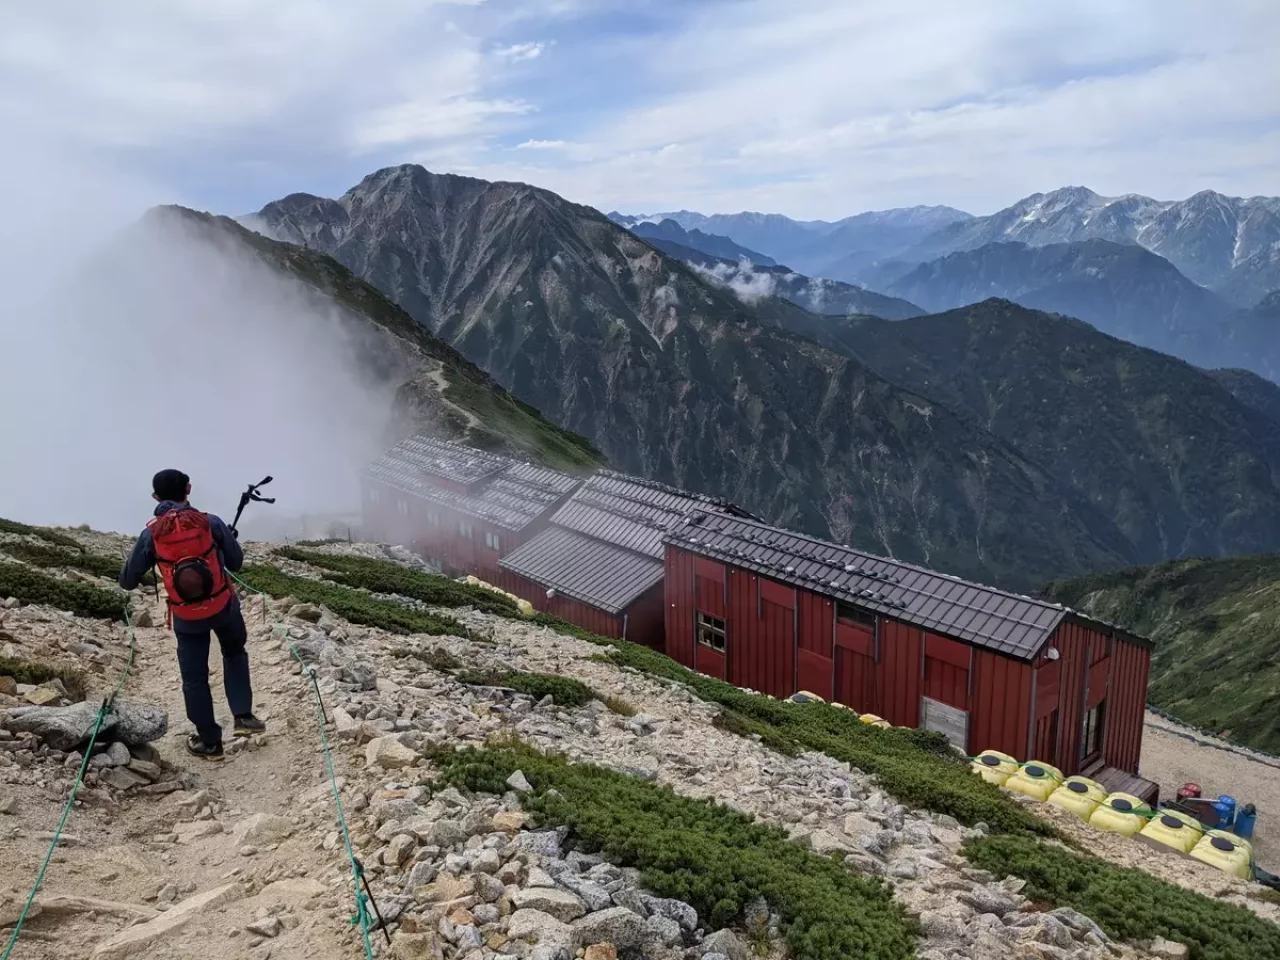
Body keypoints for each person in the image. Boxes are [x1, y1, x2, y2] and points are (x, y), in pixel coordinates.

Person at [120, 469, 265, 759]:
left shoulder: (151, 533)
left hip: (186, 617)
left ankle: (210, 742)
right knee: (234, 653)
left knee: (194, 678)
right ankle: (243, 717)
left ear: (155, 497)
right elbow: (235, 563)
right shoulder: (209, 522)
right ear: (189, 489)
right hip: (224, 606)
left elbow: (127, 581)